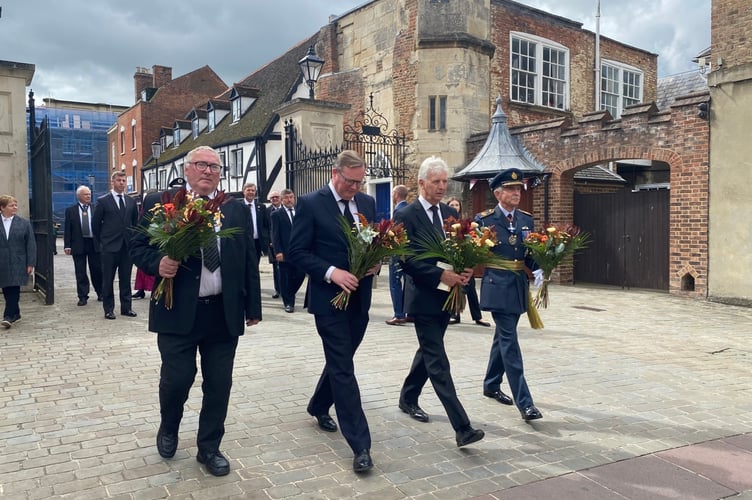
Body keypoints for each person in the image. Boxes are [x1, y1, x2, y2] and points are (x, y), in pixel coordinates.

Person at [130, 145, 262, 477]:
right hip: (177, 311)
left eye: (214, 167)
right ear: (188, 169)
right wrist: (157, 263)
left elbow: (248, 257)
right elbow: (137, 245)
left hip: (222, 312)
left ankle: (209, 447)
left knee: (219, 384)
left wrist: (253, 306)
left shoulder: (234, 210)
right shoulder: (163, 203)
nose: (208, 171)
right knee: (178, 379)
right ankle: (169, 425)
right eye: (201, 165)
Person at [287, 150, 378, 473]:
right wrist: (331, 272)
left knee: (343, 360)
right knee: (343, 367)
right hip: (328, 299)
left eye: (360, 181)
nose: (355, 187)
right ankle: (361, 445)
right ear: (334, 172)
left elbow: (374, 241)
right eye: (350, 181)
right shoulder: (311, 203)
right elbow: (297, 251)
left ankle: (318, 404)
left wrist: (374, 261)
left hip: (359, 298)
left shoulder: (366, 203)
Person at [394, 156, 485, 448]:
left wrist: (467, 268)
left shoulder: (450, 213)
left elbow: (463, 248)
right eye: (436, 182)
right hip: (423, 297)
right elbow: (405, 260)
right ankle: (462, 427)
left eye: (445, 181)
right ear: (421, 183)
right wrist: (440, 275)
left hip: (448, 299)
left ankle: (408, 397)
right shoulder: (406, 216)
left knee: (428, 350)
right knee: (437, 360)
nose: (442, 187)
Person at [476, 168, 543, 421]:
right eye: (511, 189)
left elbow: (529, 252)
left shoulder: (526, 220)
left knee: (502, 339)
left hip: (516, 287)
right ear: (498, 193)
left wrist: (540, 267)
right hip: (497, 285)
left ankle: (491, 384)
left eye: (518, 189)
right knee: (510, 341)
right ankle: (525, 403)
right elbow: (474, 252)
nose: (517, 193)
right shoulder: (484, 220)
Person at [92, 171, 139, 320]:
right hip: (109, 247)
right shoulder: (103, 201)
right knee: (108, 280)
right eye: (119, 180)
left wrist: (133, 241)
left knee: (125, 279)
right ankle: (108, 309)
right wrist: (102, 242)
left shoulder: (131, 202)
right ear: (113, 182)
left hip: (126, 247)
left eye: (124, 181)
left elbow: (134, 223)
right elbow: (95, 225)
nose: (122, 183)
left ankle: (127, 307)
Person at [446, 197, 490, 327]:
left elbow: (471, 236)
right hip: (452, 257)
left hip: (465, 257)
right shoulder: (446, 222)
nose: (455, 207)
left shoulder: (464, 221)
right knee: (455, 285)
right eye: (452, 205)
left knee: (470, 287)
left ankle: (477, 316)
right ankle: (455, 314)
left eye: (457, 205)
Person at [0, 195, 36, 329]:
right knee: (6, 287)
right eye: (11, 205)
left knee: (14, 286)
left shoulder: (24, 223)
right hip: (2, 261)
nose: (14, 207)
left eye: (15, 205)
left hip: (19, 260)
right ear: (2, 207)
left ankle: (8, 316)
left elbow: (31, 244)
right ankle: (16, 313)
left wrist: (31, 263)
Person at [63, 186, 102, 306]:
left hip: (94, 243)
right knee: (80, 271)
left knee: (97, 269)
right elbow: (68, 229)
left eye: (89, 194)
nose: (88, 196)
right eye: (86, 194)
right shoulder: (71, 210)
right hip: (78, 243)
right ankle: (83, 295)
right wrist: (67, 245)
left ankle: (100, 292)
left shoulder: (96, 208)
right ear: (79, 196)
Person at [270, 189, 305, 313]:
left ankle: (289, 293)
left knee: (300, 275)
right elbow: (275, 235)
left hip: (299, 251)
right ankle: (289, 302)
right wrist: (278, 251)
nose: (289, 199)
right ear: (282, 199)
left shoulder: (300, 213)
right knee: (285, 278)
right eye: (286, 197)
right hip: (284, 252)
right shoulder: (277, 214)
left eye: (291, 197)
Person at [385, 184, 410, 326]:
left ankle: (399, 314)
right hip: (409, 252)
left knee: (395, 283)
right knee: (408, 282)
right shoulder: (410, 209)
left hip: (398, 252)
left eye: (392, 193)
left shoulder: (399, 211)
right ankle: (408, 312)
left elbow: (396, 233)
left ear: (396, 195)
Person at [242, 183, 270, 266]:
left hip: (257, 242)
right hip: (244, 241)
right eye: (248, 190)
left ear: (255, 192)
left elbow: (266, 225)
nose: (251, 192)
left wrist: (266, 238)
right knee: (245, 264)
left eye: (253, 190)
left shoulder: (261, 207)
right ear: (244, 192)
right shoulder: (238, 206)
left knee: (255, 265)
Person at [266, 190, 283, 299]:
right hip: (273, 244)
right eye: (272, 198)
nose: (275, 199)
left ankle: (288, 288)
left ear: (280, 198)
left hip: (287, 243)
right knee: (276, 269)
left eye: (277, 197)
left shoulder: (287, 208)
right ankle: (278, 289)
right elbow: (265, 227)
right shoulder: (267, 211)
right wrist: (269, 240)